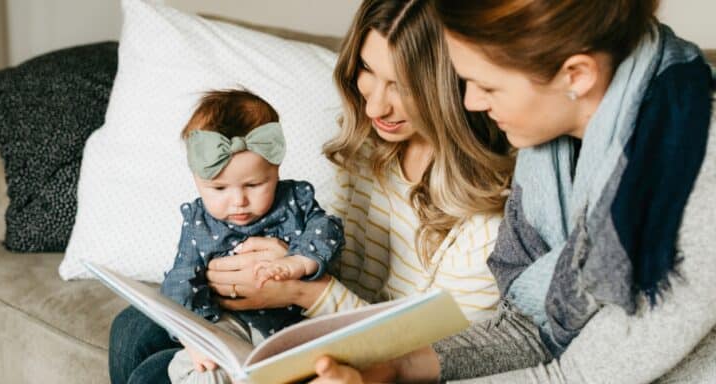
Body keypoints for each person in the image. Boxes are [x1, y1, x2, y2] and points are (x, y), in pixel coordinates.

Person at [109, 0, 514, 383]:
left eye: (402, 86)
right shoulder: (370, 147)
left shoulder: (487, 221)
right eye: (368, 70)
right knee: (133, 328)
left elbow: (429, 356)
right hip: (304, 318)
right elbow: (329, 246)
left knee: (157, 373)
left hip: (365, 363)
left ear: (453, 85)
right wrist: (275, 259)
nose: (375, 107)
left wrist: (302, 289)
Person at [312, 0, 716, 382]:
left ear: (576, 75)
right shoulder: (548, 154)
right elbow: (526, 328)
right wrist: (394, 370)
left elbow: (578, 375)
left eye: (487, 86)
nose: (469, 102)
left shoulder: (696, 175)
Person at [160, 89, 346, 384]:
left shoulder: (294, 202)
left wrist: (300, 262)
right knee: (197, 370)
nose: (238, 201)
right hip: (230, 322)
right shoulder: (199, 221)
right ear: (196, 179)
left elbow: (328, 230)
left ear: (275, 170)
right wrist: (191, 337)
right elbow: (181, 279)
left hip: (294, 325)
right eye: (219, 189)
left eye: (254, 184)